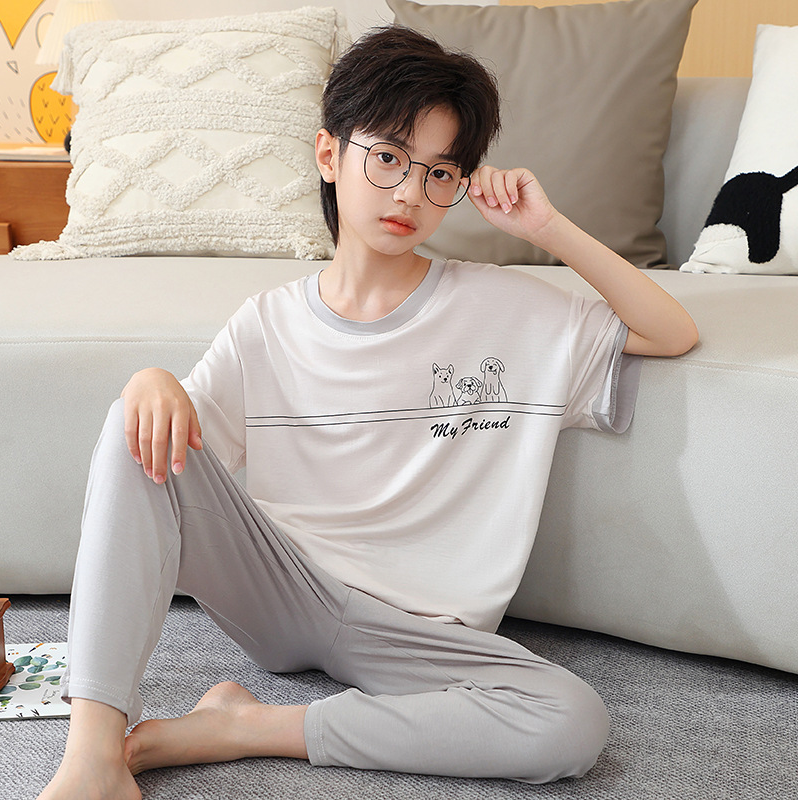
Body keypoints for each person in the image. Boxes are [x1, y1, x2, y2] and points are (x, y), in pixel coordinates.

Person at [39, 25, 698, 800]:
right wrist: (151, 381)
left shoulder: (511, 311)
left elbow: (670, 332)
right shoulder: (267, 325)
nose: (410, 193)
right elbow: (172, 456)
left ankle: (245, 727)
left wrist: (546, 229)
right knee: (134, 417)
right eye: (388, 157)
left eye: (440, 172)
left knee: (571, 721)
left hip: (421, 637)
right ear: (329, 155)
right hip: (282, 595)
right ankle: (92, 758)